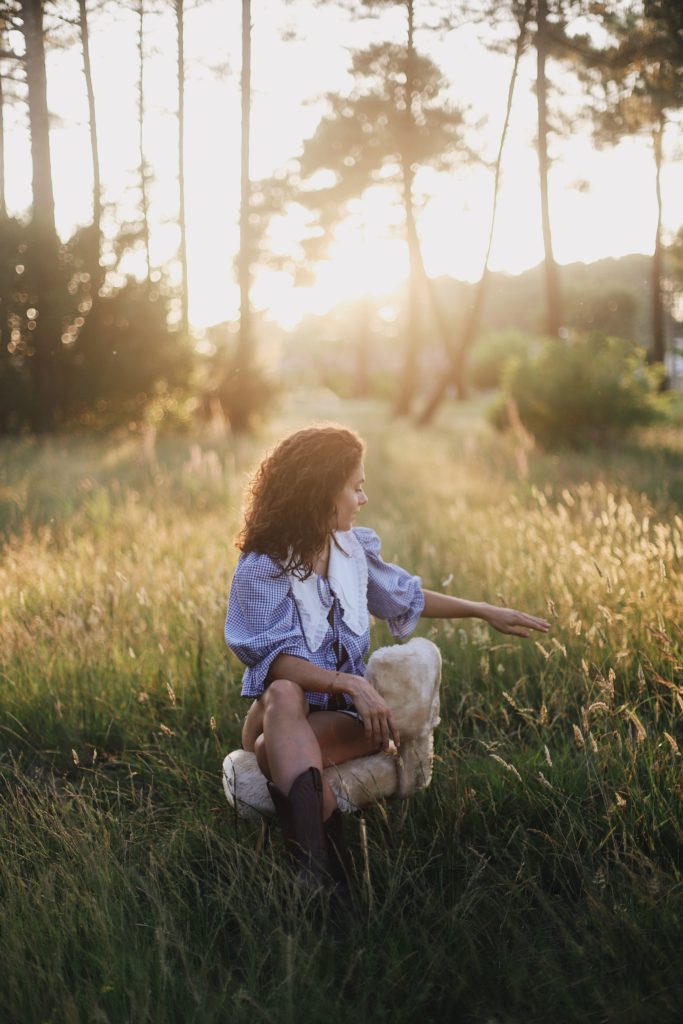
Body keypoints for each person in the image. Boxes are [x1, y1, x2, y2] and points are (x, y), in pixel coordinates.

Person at [225, 424, 550, 890]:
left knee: (268, 754)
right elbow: (271, 660)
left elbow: (406, 595)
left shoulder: (352, 552)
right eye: (355, 487)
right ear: (321, 492)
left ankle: (315, 874)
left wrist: (482, 610)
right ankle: (326, 874)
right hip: (281, 712)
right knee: (281, 690)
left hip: (334, 722)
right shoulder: (263, 566)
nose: (364, 498)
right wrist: (350, 682)